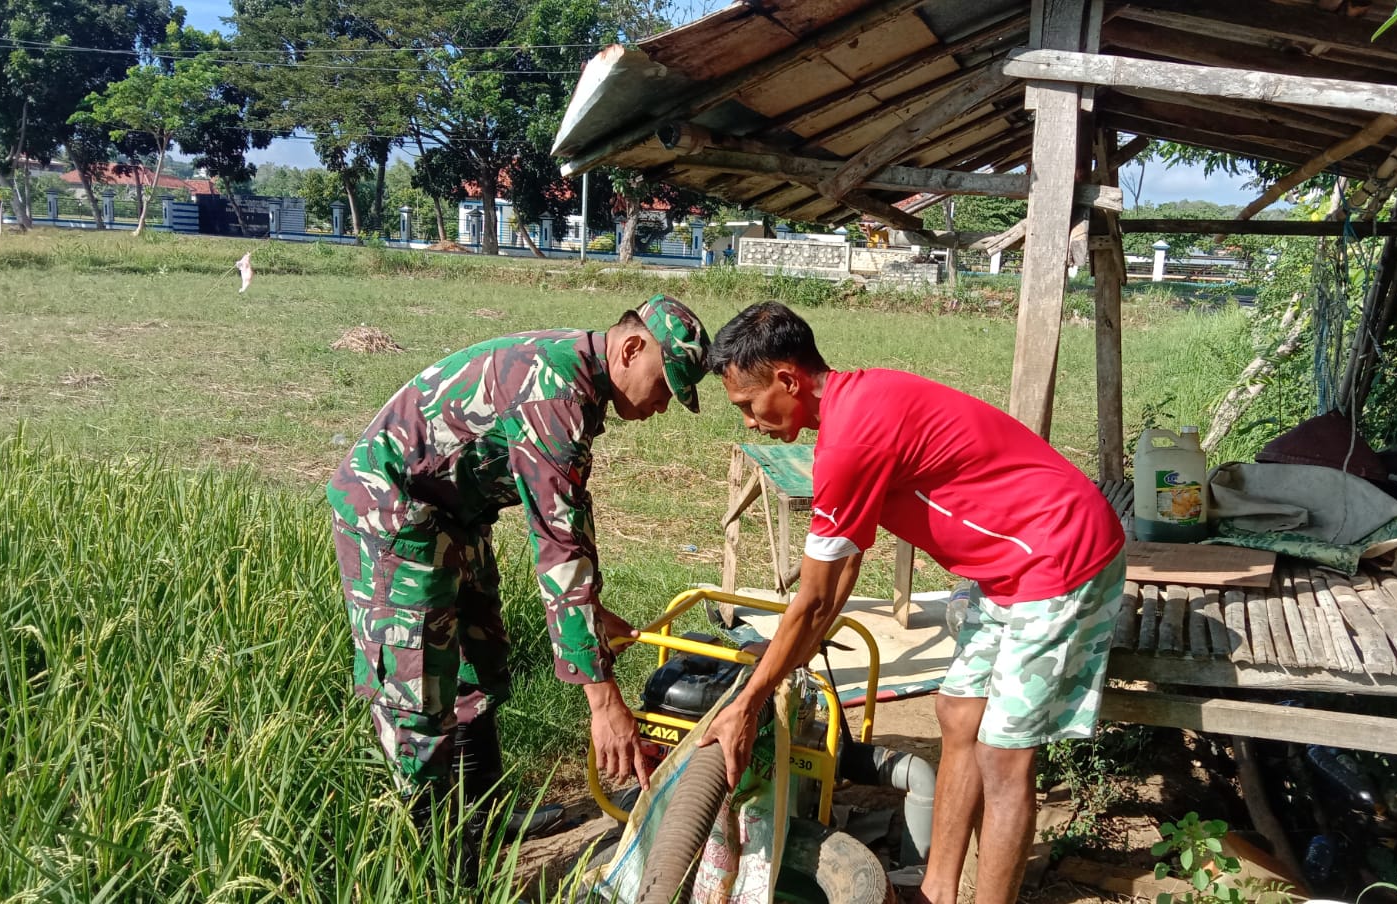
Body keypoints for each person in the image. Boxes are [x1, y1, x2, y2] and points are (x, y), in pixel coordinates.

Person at [698, 301, 1125, 904]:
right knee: (957, 716)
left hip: (1059, 556)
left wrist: (749, 702)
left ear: (788, 380)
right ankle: (938, 891)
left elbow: (817, 599)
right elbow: (841, 572)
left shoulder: (850, 439)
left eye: (747, 405)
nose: (748, 422)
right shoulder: (858, 402)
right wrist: (787, 656)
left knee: (1004, 759)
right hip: (1005, 565)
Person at [327, 295, 711, 859]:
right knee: (418, 700)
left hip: (454, 516)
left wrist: (589, 609)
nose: (662, 406)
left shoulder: (579, 381)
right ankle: (438, 871)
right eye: (664, 386)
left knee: (478, 667)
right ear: (632, 347)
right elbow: (557, 545)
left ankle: (482, 820)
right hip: (392, 515)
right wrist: (604, 704)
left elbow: (566, 520)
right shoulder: (552, 389)